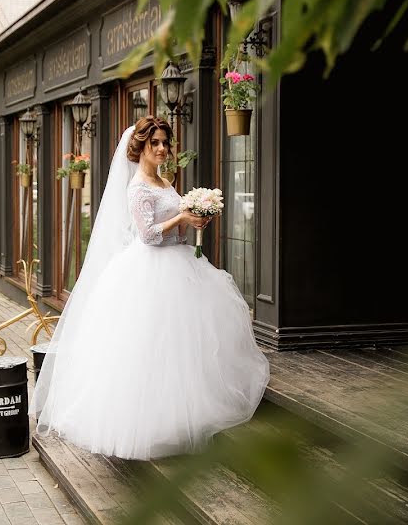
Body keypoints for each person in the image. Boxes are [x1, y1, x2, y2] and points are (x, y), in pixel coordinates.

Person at [31, 116, 269, 460]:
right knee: (153, 348)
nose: (161, 149)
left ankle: (187, 411)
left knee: (184, 346)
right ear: (140, 147)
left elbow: (174, 231)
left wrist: (194, 219)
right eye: (153, 143)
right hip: (150, 271)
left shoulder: (164, 181)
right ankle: (155, 424)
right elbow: (148, 235)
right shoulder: (138, 186)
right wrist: (181, 217)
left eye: (164, 143)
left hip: (180, 263)